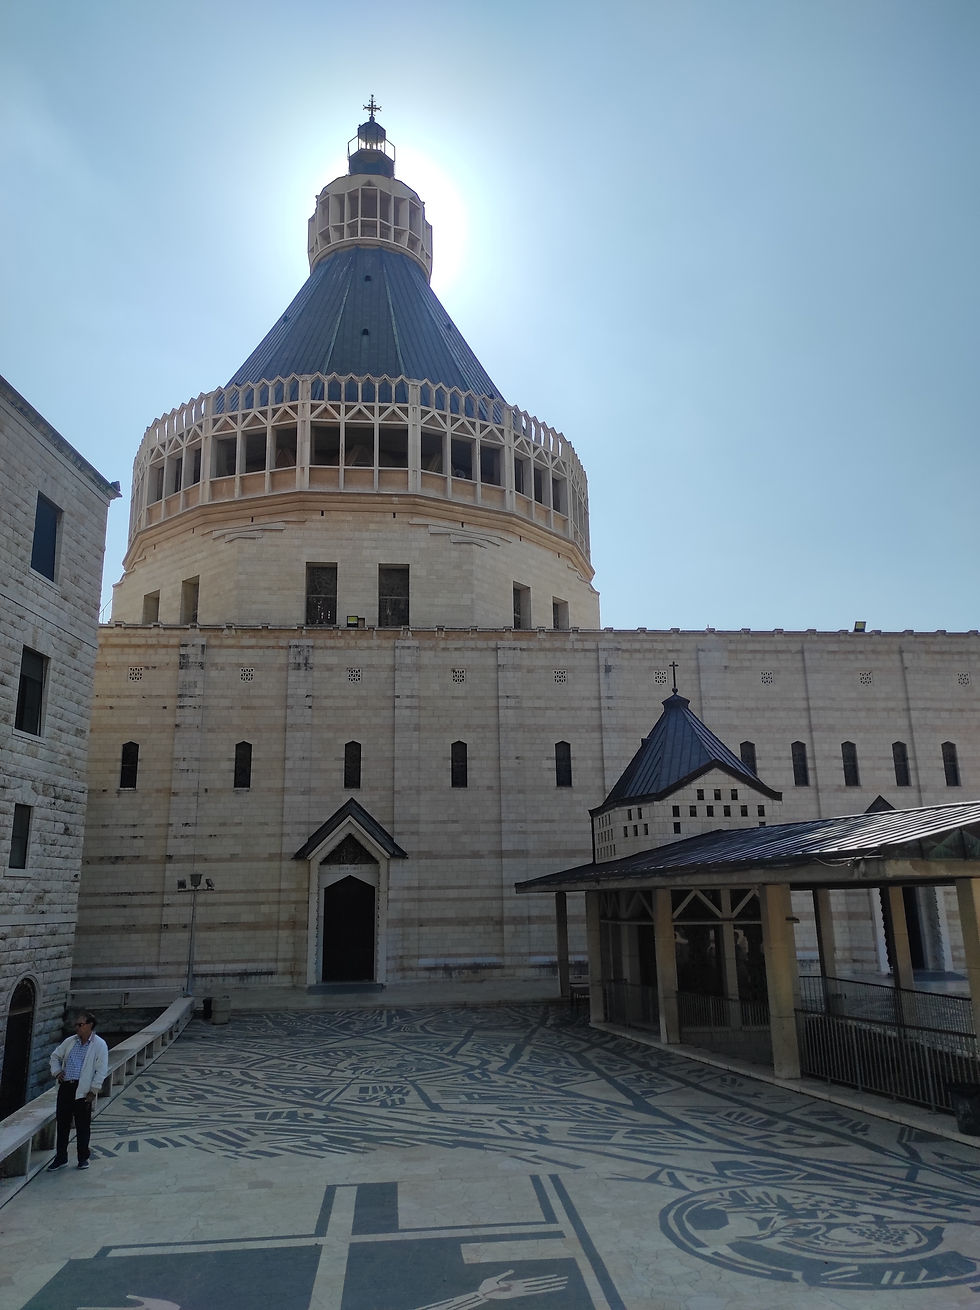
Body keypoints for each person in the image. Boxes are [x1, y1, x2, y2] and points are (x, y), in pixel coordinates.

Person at [47, 1012, 109, 1171]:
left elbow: (101, 1070)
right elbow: (55, 1056)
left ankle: (83, 1158)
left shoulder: (99, 1045)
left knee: (82, 1126)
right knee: (62, 1124)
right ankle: (61, 1157)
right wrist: (57, 1072)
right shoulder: (70, 1041)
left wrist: (93, 1090)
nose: (77, 1027)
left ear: (90, 1025)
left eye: (80, 1025)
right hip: (66, 1086)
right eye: (76, 1025)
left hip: (83, 1090)